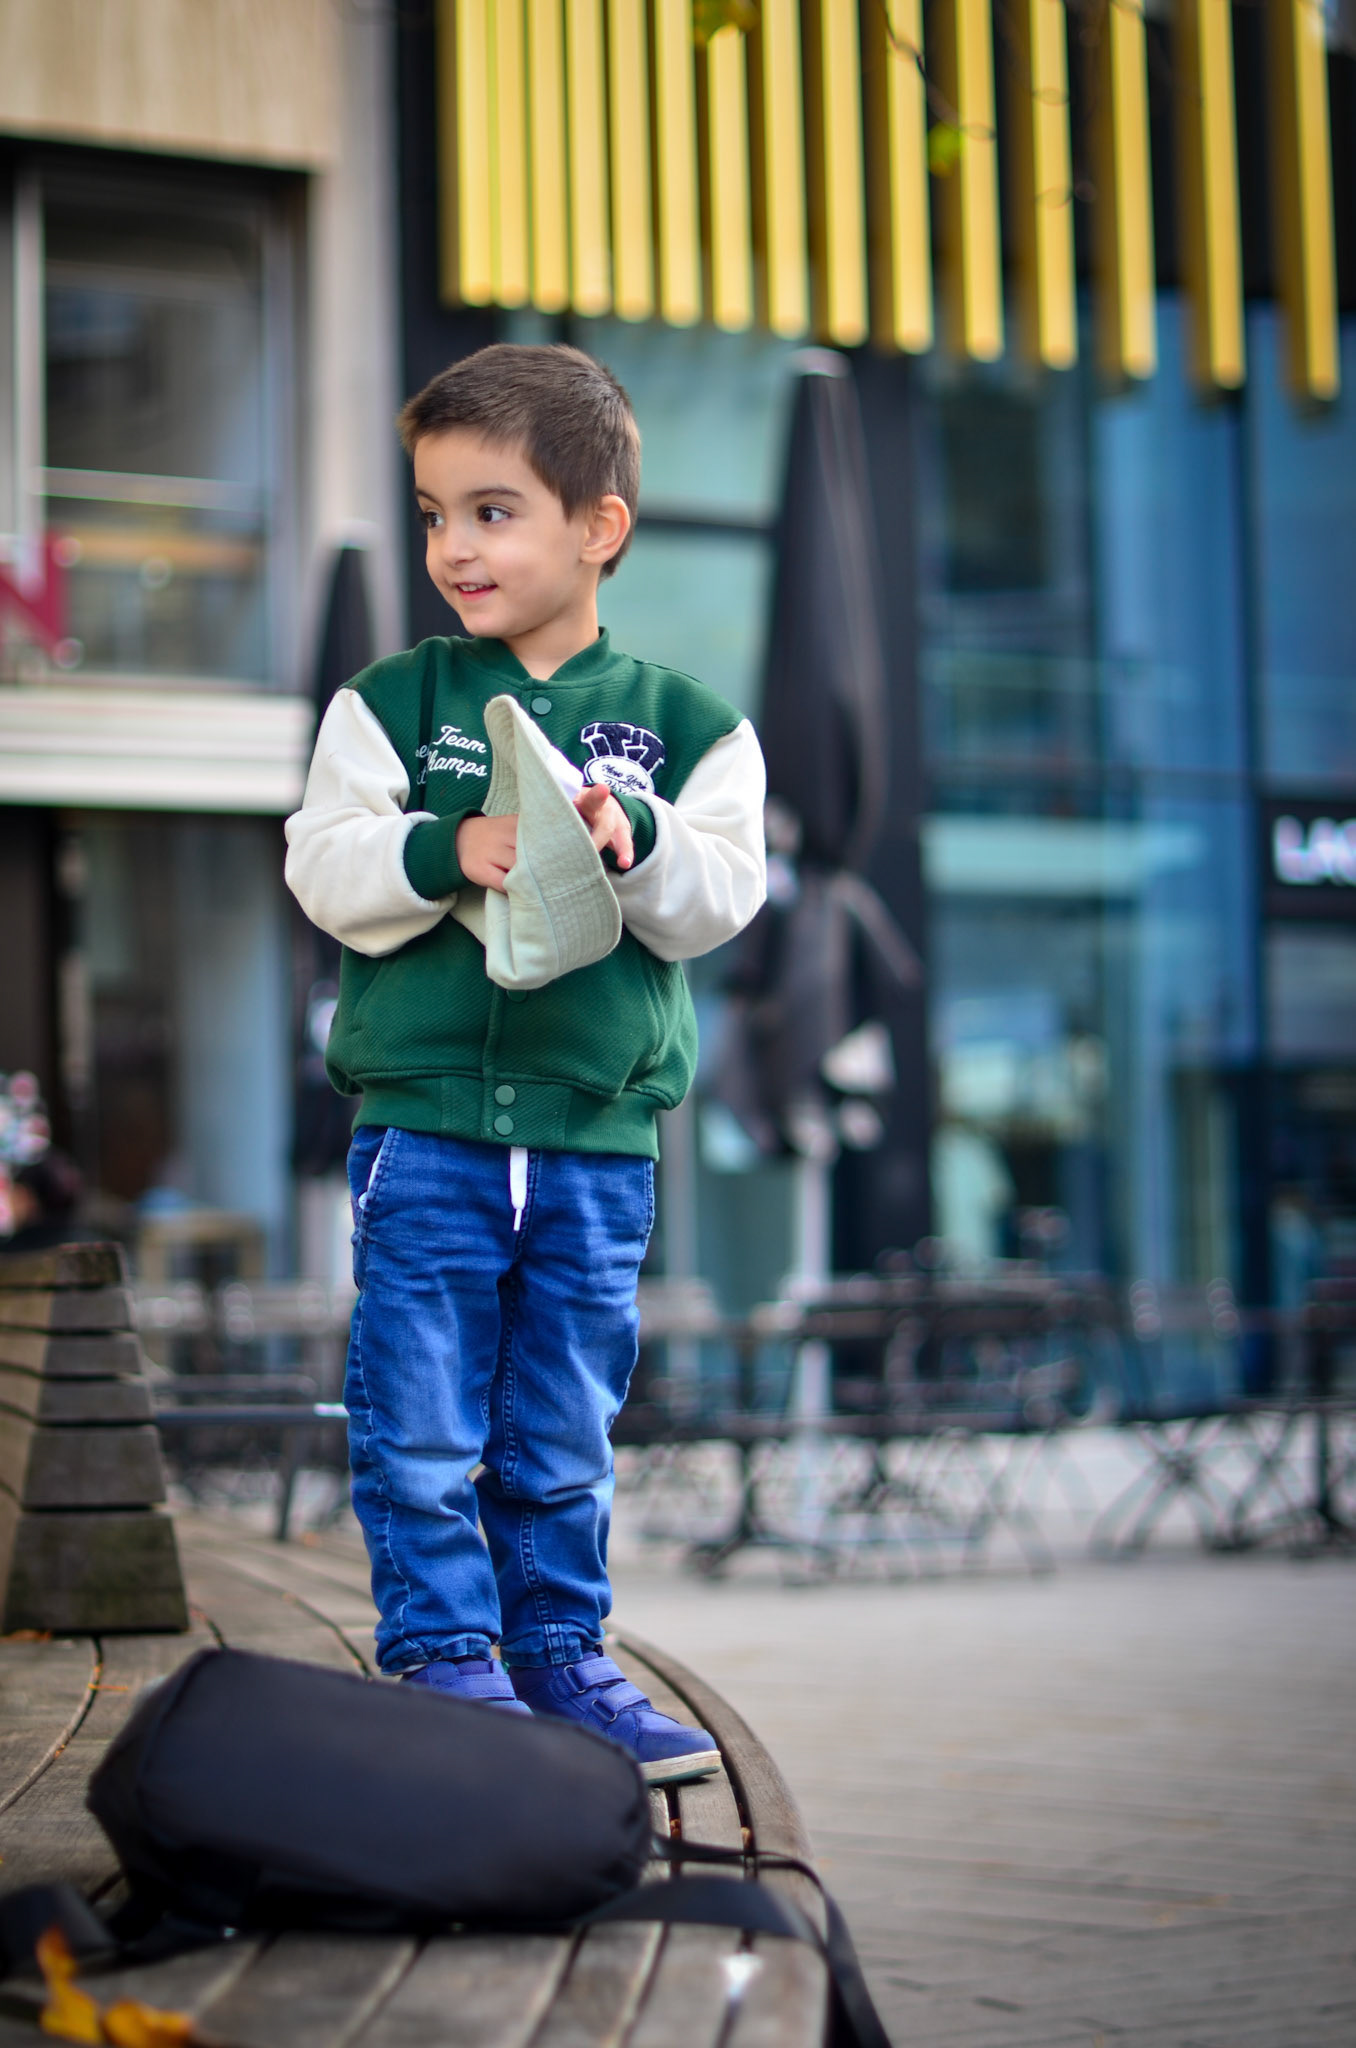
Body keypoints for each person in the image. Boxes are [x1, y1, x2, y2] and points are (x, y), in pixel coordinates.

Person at [285, 344, 766, 1782]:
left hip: (595, 1140)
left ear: (598, 527)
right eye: (436, 515)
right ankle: (444, 1655)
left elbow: (723, 896)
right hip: (424, 1128)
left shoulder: (693, 727)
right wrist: (448, 848)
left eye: (492, 512)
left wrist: (639, 836)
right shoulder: (390, 700)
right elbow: (321, 865)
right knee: (419, 1417)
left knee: (564, 1420)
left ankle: (559, 1651)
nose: (455, 548)